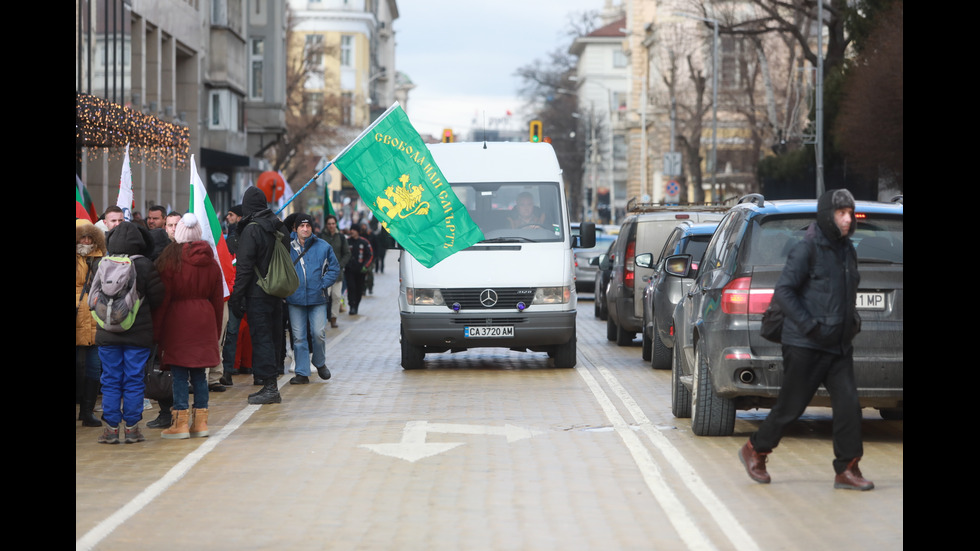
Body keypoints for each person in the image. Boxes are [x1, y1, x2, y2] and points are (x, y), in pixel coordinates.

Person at [739, 189, 873, 491]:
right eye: (841, 213)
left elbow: (846, 293)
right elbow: (784, 292)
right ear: (827, 215)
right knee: (791, 407)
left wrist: (852, 321)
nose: (847, 219)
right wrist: (810, 327)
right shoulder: (807, 249)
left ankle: (847, 469)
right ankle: (755, 449)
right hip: (806, 344)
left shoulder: (847, 250)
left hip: (838, 346)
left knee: (849, 406)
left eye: (850, 214)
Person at [153, 214, 224, 439]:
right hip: (204, 319)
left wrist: (157, 330)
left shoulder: (170, 261)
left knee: (180, 373)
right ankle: (200, 422)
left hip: (178, 321)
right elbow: (218, 301)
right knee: (200, 375)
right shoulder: (211, 263)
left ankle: (180, 422)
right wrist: (216, 329)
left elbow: (163, 300)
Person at [94, 221, 165, 444]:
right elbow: (157, 298)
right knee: (134, 380)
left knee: (110, 380)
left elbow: (92, 294)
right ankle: (132, 429)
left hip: (106, 334)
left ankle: (112, 430)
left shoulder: (102, 264)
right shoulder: (144, 265)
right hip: (138, 335)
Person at [229, 187, 290, 405]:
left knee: (262, 338)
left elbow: (244, 268)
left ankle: (270, 387)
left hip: (257, 293)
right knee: (274, 337)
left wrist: (237, 297)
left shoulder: (252, 230)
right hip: (276, 290)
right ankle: (271, 380)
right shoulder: (278, 226)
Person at [285, 213, 340, 384]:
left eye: (308, 226)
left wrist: (323, 284)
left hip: (317, 298)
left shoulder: (323, 246)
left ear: (312, 228)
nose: (305, 229)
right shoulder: (287, 246)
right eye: (301, 226)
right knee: (299, 337)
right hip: (295, 298)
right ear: (295, 228)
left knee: (318, 333)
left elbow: (334, 268)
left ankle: (319, 362)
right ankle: (302, 372)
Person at [76, 219, 106, 427]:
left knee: (95, 368)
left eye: (90, 237)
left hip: (96, 319)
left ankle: (87, 411)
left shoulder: (102, 259)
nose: (86, 241)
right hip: (78, 317)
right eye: (82, 237)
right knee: (78, 367)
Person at [320, 214, 350, 328]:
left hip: (337, 274)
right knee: (324, 297)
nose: (331, 226)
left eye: (333, 224)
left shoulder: (341, 237)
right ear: (326, 225)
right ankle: (322, 318)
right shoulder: (321, 237)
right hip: (324, 273)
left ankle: (333, 318)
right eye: (329, 224)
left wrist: (340, 265)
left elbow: (347, 253)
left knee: (337, 296)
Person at [345, 224, 373, 316]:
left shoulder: (364, 242)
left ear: (358, 231)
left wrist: (366, 265)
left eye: (354, 230)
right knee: (351, 287)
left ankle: (356, 305)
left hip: (361, 271)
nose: (352, 231)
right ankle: (351, 305)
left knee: (359, 288)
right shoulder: (347, 241)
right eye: (351, 229)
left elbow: (370, 254)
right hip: (349, 270)